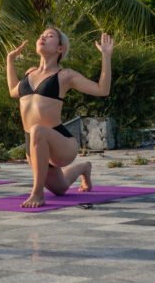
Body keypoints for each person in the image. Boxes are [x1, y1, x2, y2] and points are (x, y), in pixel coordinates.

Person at [7, 28, 114, 208]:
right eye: (42, 35)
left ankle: (37, 193)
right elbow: (13, 91)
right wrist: (10, 61)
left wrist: (106, 57)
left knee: (37, 129)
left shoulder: (65, 75)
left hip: (61, 142)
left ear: (60, 49)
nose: (42, 37)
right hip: (33, 144)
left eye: (50, 36)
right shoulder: (29, 72)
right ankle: (84, 168)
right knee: (61, 188)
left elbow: (102, 90)